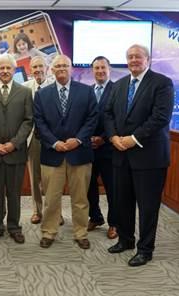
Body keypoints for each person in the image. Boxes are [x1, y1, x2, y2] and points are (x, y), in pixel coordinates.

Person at [105, 44, 174, 267]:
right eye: (130, 57)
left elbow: (160, 118)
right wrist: (114, 137)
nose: (134, 60)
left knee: (147, 207)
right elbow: (107, 113)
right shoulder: (119, 85)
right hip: (120, 154)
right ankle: (125, 240)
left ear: (148, 59)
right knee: (122, 202)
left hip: (149, 157)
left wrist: (132, 139)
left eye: (138, 56)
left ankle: (145, 249)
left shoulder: (162, 83)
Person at [33, 54, 97, 250]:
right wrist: (54, 142)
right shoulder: (42, 94)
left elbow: (92, 118)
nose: (61, 69)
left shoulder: (86, 92)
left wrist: (77, 140)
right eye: (57, 66)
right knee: (51, 198)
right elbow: (39, 123)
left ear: (72, 69)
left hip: (79, 154)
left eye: (65, 66)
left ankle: (80, 233)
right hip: (52, 155)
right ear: (51, 70)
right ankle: (49, 232)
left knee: (80, 199)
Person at [0, 54, 33, 244]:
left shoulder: (25, 92)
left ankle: (14, 227)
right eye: (1, 68)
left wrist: (13, 143)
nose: (5, 71)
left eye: (8, 68)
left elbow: (28, 121)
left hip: (16, 153)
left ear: (14, 69)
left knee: (14, 193)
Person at [86, 56, 117, 239]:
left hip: (109, 149)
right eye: (96, 68)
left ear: (109, 69)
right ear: (92, 71)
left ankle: (114, 223)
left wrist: (104, 138)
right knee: (89, 187)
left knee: (112, 189)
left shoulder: (117, 90)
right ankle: (95, 217)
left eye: (103, 67)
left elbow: (118, 119)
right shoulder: (88, 91)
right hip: (88, 149)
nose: (100, 71)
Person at [23, 56, 53, 225]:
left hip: (52, 139)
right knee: (34, 178)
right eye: (34, 67)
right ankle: (37, 210)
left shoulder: (54, 87)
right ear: (30, 70)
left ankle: (54, 210)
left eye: (41, 66)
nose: (38, 70)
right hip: (33, 138)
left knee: (52, 178)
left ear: (47, 68)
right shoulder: (25, 88)